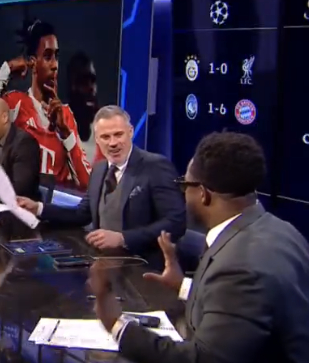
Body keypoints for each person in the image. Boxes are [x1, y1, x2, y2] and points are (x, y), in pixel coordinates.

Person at [91, 131, 309, 363]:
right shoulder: (280, 230)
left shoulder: (240, 265)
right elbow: (247, 308)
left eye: (184, 184)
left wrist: (116, 324)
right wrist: (183, 286)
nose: (183, 193)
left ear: (203, 193)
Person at [16, 105, 185, 262]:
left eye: (118, 134)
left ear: (130, 132)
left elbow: (176, 222)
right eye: (105, 137)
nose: (113, 143)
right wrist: (38, 208)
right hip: (103, 261)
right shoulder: (99, 169)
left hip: (142, 264)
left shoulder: (155, 166)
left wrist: (123, 238)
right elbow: (82, 214)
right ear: (97, 139)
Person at [0, 19, 92, 189]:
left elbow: (86, 184)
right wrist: (7, 68)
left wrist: (65, 134)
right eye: (47, 57)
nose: (54, 65)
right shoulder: (16, 104)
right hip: (19, 200)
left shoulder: (65, 116)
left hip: (52, 205)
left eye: (56, 56)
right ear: (33, 62)